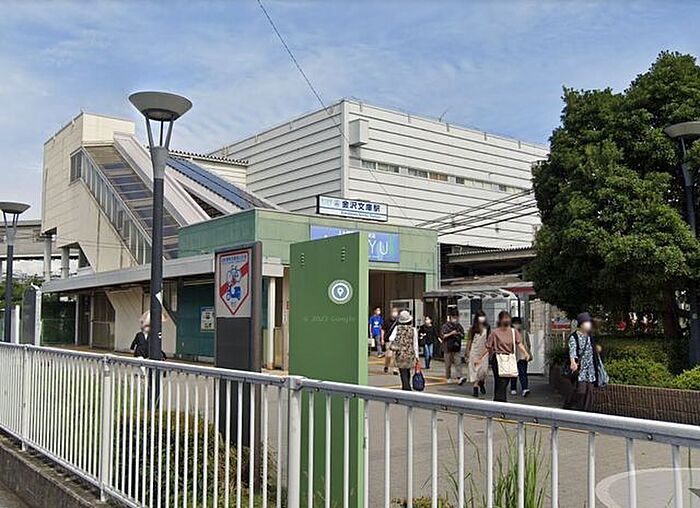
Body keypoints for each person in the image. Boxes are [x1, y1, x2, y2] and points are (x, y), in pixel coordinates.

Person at [476, 311, 530, 402]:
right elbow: (488, 346)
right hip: (498, 359)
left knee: (505, 380)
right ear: (500, 320)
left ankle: (498, 400)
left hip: (509, 358)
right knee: (500, 380)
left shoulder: (513, 332)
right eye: (504, 318)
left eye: (508, 318)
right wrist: (480, 358)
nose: (506, 320)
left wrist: (525, 353)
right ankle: (501, 401)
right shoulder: (495, 333)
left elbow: (519, 343)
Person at [564, 312, 606, 411]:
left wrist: (597, 350)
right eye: (586, 322)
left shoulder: (590, 336)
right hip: (581, 368)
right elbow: (572, 350)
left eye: (589, 322)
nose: (588, 325)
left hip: (591, 367)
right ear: (581, 324)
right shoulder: (574, 337)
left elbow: (593, 349)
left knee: (590, 391)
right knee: (581, 391)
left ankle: (586, 412)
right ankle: (569, 405)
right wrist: (573, 362)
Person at [391, 310, 419, 390]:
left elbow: (391, 338)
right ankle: (407, 386)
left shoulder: (397, 328)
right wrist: (417, 356)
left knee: (402, 371)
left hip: (400, 353)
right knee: (408, 370)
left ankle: (405, 387)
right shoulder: (413, 329)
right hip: (410, 353)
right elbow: (415, 343)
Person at [466, 311, 489, 397]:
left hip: (484, 351)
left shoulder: (487, 327)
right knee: (474, 370)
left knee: (483, 370)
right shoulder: (472, 329)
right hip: (474, 351)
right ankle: (475, 387)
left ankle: (481, 382)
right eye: (480, 316)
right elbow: (469, 340)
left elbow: (489, 340)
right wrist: (467, 352)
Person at [509, 317, 532, 397]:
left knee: (523, 372)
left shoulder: (524, 333)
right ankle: (513, 388)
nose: (517, 325)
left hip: (522, 356)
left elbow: (528, 344)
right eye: (515, 323)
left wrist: (527, 353)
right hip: (513, 355)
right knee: (513, 373)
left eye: (518, 323)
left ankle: (525, 388)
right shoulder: (510, 333)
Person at [440, 313, 465, 383]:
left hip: (456, 347)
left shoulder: (459, 326)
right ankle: (448, 377)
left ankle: (460, 377)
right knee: (448, 364)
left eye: (456, 317)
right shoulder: (445, 326)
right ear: (450, 318)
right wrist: (451, 333)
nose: (455, 319)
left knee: (458, 362)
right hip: (447, 347)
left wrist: (459, 334)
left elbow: (463, 335)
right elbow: (443, 336)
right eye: (454, 317)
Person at [382, 308, 400, 374]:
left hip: (396, 341)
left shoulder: (398, 322)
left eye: (396, 312)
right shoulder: (387, 321)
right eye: (393, 312)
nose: (394, 313)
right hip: (388, 340)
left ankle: (395, 369)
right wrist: (382, 339)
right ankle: (386, 366)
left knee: (395, 355)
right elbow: (383, 330)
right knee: (389, 355)